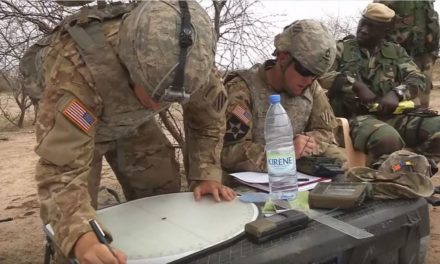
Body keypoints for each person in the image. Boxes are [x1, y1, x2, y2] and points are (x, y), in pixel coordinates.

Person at [20, 1, 235, 263]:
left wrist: (205, 174)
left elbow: (208, 121)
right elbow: (60, 171)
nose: (159, 105)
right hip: (85, 114)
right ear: (130, 63)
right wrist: (80, 238)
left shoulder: (194, 66)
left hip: (131, 119)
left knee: (163, 193)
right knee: (76, 235)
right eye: (154, 92)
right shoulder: (75, 72)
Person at [319, 3, 440, 166]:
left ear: (386, 32)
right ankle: (386, 178)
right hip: (354, 118)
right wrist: (355, 85)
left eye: (371, 27)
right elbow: (320, 74)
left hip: (391, 116)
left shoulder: (396, 52)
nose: (363, 30)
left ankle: (416, 170)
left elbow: (417, 78)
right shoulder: (340, 49)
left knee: (437, 127)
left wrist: (397, 93)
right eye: (363, 23)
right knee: (387, 139)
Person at [221, 19, 346, 176]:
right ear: (282, 57)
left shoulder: (311, 87)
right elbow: (229, 151)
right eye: (304, 71)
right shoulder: (242, 88)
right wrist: (284, 153)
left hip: (294, 173)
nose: (308, 81)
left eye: (315, 76)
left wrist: (307, 143)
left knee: (338, 160)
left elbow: (326, 131)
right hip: (252, 179)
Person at [374, 0, 439, 108]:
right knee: (405, 101)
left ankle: (421, 119)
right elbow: (376, 16)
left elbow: (432, 21)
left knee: (423, 97)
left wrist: (434, 50)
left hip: (424, 53)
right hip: (398, 55)